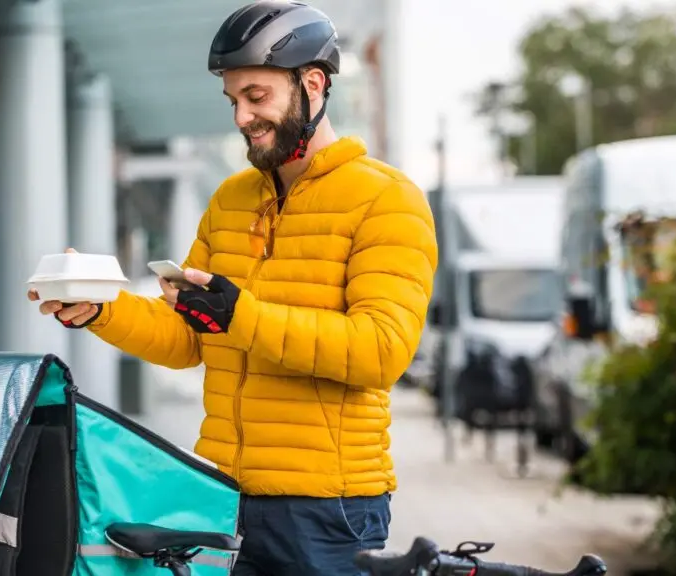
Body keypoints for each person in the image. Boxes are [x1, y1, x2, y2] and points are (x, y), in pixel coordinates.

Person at [29, 2, 438, 573]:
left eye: (257, 96)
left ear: (313, 83)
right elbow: (187, 340)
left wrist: (239, 315)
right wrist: (100, 308)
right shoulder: (230, 200)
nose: (242, 116)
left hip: (327, 507)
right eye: (234, 101)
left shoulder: (387, 200)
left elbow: (381, 351)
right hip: (222, 493)